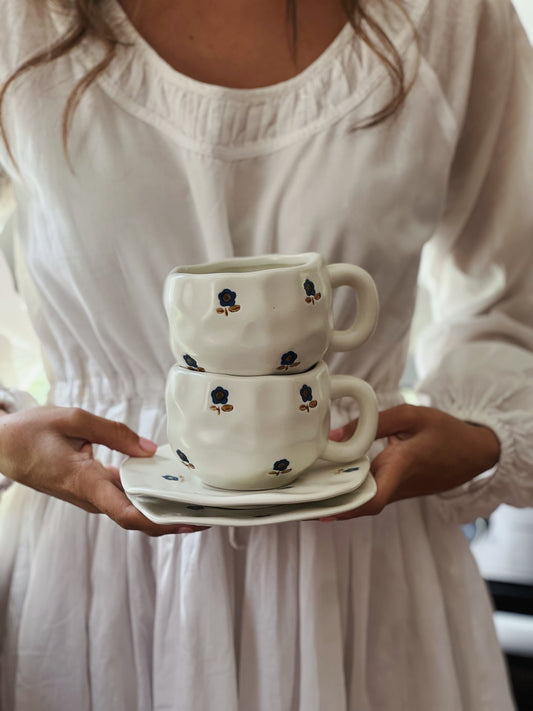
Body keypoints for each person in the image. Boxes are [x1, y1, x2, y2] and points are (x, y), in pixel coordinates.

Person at [0, 0, 532, 708]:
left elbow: (514, 292)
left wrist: (481, 434)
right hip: (96, 588)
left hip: (365, 583)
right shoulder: (18, 20)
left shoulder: (449, 18)